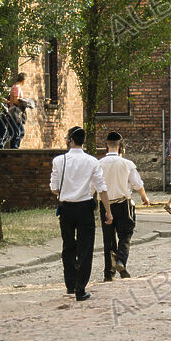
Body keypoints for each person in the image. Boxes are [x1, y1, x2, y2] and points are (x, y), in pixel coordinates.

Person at [50, 127, 112, 301]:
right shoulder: (92, 161)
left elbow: (54, 188)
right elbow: (102, 188)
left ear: (70, 140)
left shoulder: (58, 161)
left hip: (66, 208)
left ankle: (70, 282)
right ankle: (80, 288)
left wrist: (68, 189)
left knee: (68, 245)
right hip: (85, 208)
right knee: (85, 248)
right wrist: (108, 211)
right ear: (83, 141)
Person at [98, 132, 150, 281]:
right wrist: (144, 197)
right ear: (120, 145)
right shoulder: (127, 164)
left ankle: (109, 273)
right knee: (125, 235)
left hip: (106, 204)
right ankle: (121, 260)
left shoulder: (99, 164)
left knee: (108, 239)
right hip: (123, 204)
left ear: (107, 145)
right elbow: (137, 184)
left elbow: (93, 186)